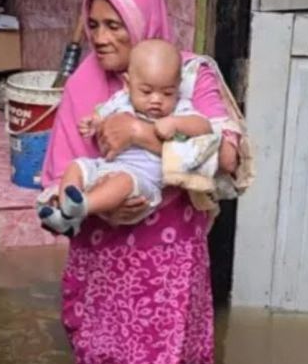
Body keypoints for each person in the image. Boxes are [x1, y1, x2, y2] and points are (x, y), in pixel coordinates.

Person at [41, 0, 238, 364]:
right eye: (94, 25)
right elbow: (58, 178)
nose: (101, 37)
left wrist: (142, 135)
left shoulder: (190, 76)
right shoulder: (83, 86)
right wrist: (97, 206)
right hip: (101, 260)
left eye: (116, 24)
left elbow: (227, 157)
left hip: (165, 264)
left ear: (144, 20)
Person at [39, 39, 212, 235]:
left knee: (123, 180)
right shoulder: (121, 100)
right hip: (107, 167)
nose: (156, 99)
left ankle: (84, 207)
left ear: (178, 87)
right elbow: (101, 114)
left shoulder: (180, 108)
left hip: (142, 180)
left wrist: (176, 123)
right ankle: (66, 216)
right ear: (128, 84)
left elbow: (204, 127)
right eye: (146, 91)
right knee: (76, 166)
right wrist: (94, 122)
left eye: (167, 92)